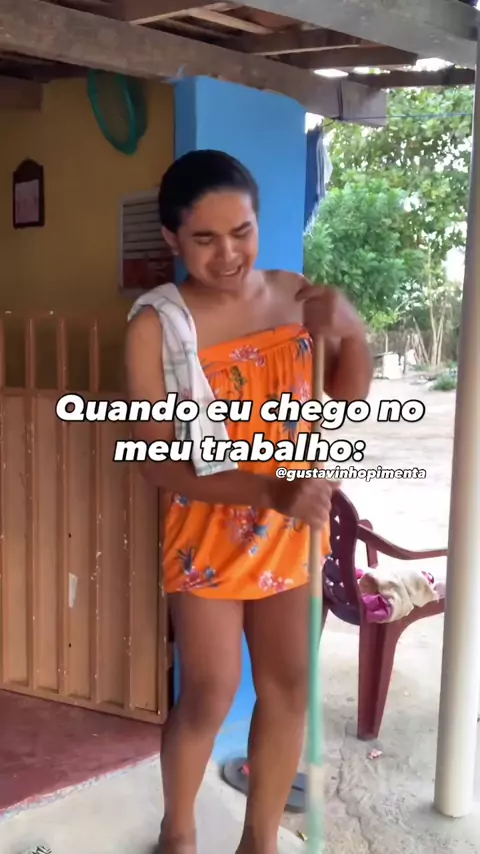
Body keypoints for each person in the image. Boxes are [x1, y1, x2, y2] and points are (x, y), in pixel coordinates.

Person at [125, 149, 373, 854]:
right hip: (208, 532)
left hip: (291, 529)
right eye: (205, 238)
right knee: (210, 692)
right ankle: (178, 832)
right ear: (172, 238)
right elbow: (156, 462)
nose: (228, 254)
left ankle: (258, 840)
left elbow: (346, 396)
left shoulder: (295, 294)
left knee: (289, 687)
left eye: (242, 231)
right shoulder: (158, 326)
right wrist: (270, 488)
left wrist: (352, 329)